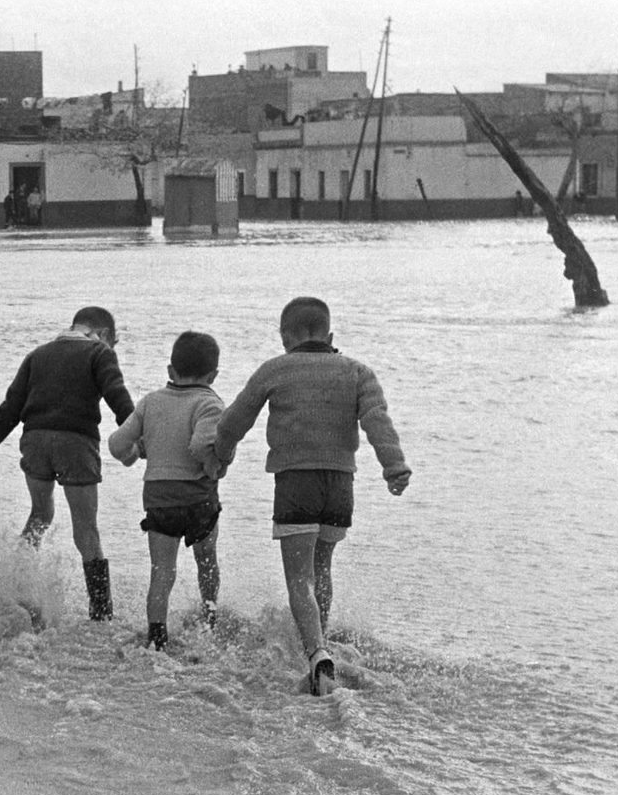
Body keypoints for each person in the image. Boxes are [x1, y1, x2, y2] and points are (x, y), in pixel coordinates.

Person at [212, 296, 411, 696]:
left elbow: (235, 420)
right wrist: (395, 467)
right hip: (340, 486)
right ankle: (321, 647)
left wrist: (221, 454)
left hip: (296, 483)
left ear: (286, 337)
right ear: (329, 334)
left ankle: (317, 653)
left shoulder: (275, 369)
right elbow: (378, 422)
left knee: (299, 578)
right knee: (323, 568)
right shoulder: (357, 372)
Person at [0, 306, 133, 620]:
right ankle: (102, 614)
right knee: (86, 528)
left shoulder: (37, 354)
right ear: (105, 333)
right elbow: (117, 395)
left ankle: (15, 588)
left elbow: (11, 407)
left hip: (35, 440)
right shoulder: (100, 352)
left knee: (40, 515)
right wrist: (137, 436)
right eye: (114, 342)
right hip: (75, 442)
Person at [107, 331, 229, 650]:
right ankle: (208, 619)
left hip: (159, 498)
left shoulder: (151, 402)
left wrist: (133, 455)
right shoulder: (209, 402)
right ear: (213, 375)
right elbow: (202, 443)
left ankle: (157, 637)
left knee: (162, 571)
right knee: (207, 561)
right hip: (199, 498)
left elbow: (118, 443)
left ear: (170, 371)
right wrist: (213, 467)